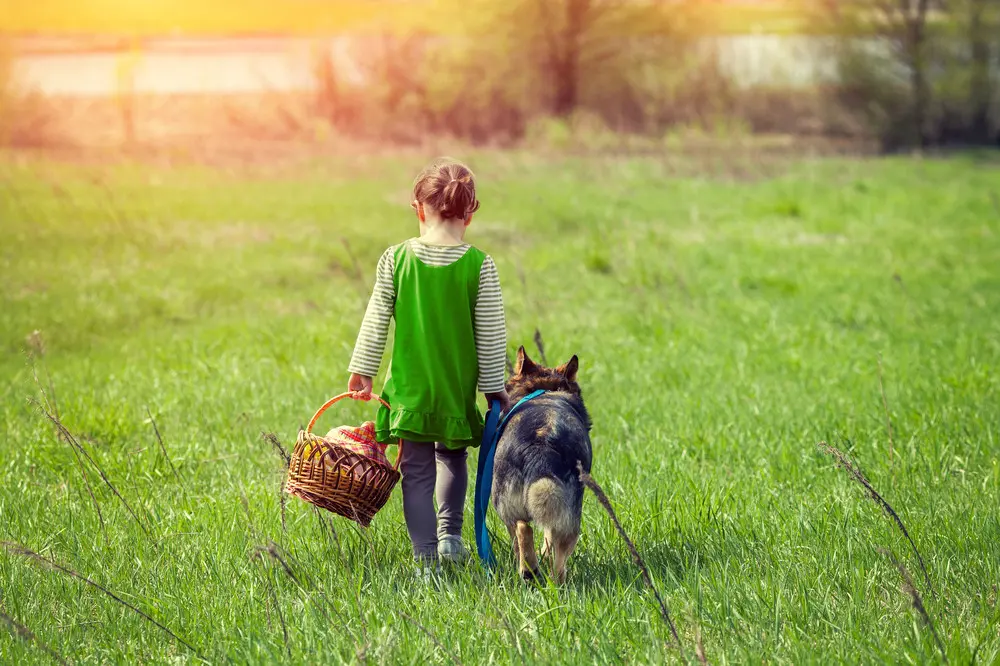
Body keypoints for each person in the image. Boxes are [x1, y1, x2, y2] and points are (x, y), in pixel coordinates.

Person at [347, 158, 510, 574]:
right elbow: (491, 336)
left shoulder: (395, 259)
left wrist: (364, 369)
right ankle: (450, 538)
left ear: (419, 208)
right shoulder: (480, 266)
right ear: (469, 214)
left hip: (409, 390)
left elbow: (376, 317)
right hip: (454, 389)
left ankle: (425, 559)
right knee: (453, 458)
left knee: (416, 472)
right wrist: (494, 390)